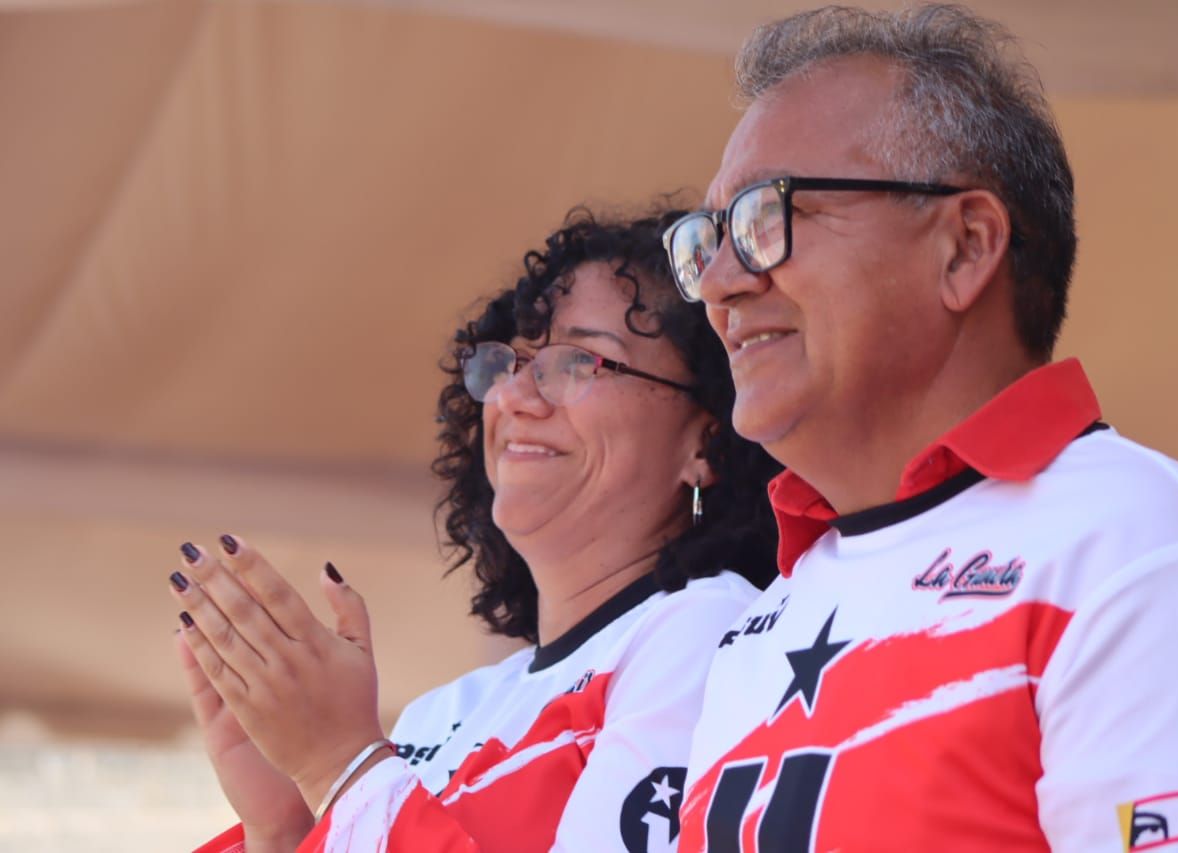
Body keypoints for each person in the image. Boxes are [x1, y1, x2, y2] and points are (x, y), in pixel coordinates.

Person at [660, 6, 1178, 851]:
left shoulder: (1139, 547)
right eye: (707, 239)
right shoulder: (767, 616)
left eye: (766, 219)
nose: (719, 283)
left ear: (965, 247)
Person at [167, 207, 781, 852]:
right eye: (509, 364)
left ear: (706, 441)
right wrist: (284, 826)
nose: (513, 397)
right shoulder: (443, 712)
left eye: (578, 362)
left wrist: (339, 766)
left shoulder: (710, 632)